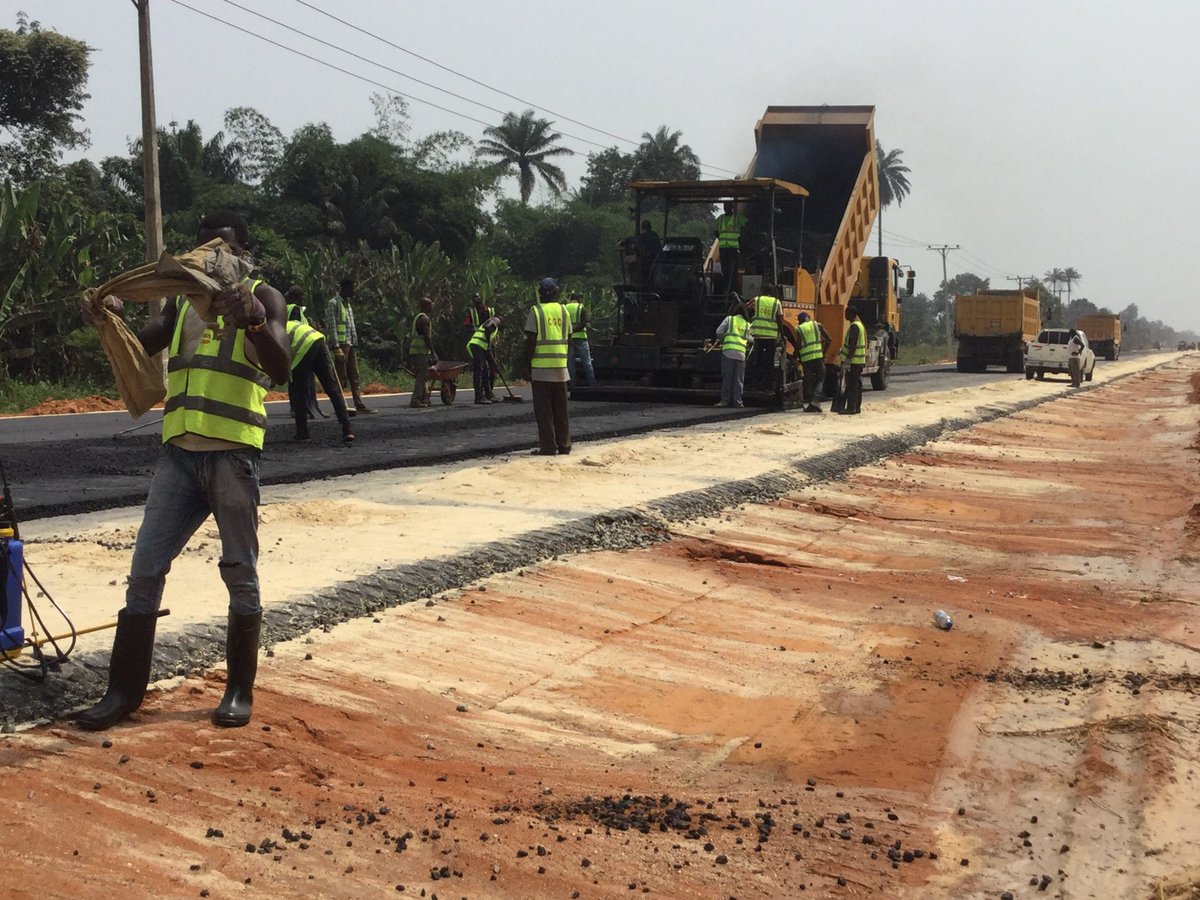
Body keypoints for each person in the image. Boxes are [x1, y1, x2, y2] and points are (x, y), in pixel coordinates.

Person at [76, 209, 291, 731]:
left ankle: (239, 690)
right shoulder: (181, 306)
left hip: (232, 455)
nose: (208, 256)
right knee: (145, 567)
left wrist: (255, 321)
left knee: (240, 572)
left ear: (241, 252)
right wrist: (109, 316)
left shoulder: (264, 296)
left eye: (220, 246)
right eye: (202, 247)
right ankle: (124, 691)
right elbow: (142, 346)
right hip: (179, 457)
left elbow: (281, 367)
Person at [524, 277, 572, 455]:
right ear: (556, 292)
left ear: (540, 293)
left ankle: (549, 446)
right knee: (561, 409)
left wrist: (527, 365)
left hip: (541, 369)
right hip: (560, 367)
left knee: (544, 411)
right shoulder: (563, 310)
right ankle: (565, 444)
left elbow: (530, 341)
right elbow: (570, 339)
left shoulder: (535, 311)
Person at [286, 317, 355, 443]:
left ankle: (303, 433)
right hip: (318, 339)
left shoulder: (272, 331)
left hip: (303, 347)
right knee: (331, 387)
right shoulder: (285, 324)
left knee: (298, 391)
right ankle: (348, 429)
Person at [325, 277, 376, 415]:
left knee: (354, 375)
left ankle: (359, 403)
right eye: (352, 288)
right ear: (345, 288)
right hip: (341, 344)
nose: (354, 291)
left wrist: (355, 341)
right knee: (340, 376)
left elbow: (350, 325)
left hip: (350, 343)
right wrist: (336, 346)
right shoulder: (334, 303)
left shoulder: (348, 305)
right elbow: (332, 325)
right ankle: (340, 405)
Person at [285, 286, 327, 420]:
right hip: (299, 349)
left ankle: (309, 408)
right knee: (300, 381)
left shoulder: (297, 310)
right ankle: (299, 409)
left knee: (304, 381)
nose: (303, 298)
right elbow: (295, 328)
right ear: (295, 296)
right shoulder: (294, 309)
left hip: (302, 347)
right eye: (301, 296)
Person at [746, 289, 798, 385]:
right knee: (769, 361)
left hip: (758, 335)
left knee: (758, 358)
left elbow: (746, 308)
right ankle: (767, 383)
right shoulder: (776, 302)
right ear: (772, 293)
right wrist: (782, 335)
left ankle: (756, 382)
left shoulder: (756, 299)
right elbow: (779, 319)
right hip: (771, 337)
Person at [714, 296, 753, 408]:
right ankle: (738, 402)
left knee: (727, 377)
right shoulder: (747, 324)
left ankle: (725, 401)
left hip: (728, 352)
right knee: (739, 379)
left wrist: (722, 339)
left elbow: (718, 331)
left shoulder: (729, 319)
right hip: (741, 354)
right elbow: (751, 339)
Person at [796, 311, 831, 413]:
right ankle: (815, 401)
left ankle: (813, 403)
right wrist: (823, 353)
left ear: (800, 321)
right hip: (818, 357)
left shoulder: (799, 329)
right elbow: (829, 339)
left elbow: (798, 346)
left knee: (809, 381)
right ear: (809, 318)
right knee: (820, 379)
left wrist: (797, 357)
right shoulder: (817, 325)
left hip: (806, 359)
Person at [408, 296, 438, 408]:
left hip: (417, 351)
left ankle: (424, 398)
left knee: (423, 375)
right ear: (425, 306)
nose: (432, 307)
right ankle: (415, 399)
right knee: (421, 375)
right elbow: (427, 337)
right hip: (420, 351)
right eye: (430, 305)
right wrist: (433, 352)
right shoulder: (424, 319)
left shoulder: (418, 317)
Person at [562, 290, 596, 387]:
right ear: (578, 299)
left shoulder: (565, 308)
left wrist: (569, 332)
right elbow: (584, 322)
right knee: (587, 362)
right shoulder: (581, 307)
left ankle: (572, 384)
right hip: (581, 338)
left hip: (569, 339)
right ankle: (592, 383)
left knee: (570, 363)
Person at [714, 201, 748, 295]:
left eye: (728, 206)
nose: (726, 208)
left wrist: (742, 237)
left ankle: (733, 290)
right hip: (723, 248)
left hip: (733, 248)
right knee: (725, 271)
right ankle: (726, 289)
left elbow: (747, 225)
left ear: (732, 207)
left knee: (733, 271)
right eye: (725, 206)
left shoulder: (737, 218)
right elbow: (715, 231)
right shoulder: (720, 219)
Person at [839, 305, 867, 415]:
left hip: (854, 361)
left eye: (846, 313)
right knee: (857, 384)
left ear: (851, 314)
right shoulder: (859, 325)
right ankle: (856, 407)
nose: (845, 315)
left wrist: (848, 360)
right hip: (859, 360)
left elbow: (853, 344)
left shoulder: (854, 326)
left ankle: (851, 408)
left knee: (852, 385)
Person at [467, 316, 501, 404]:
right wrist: (488, 343)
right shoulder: (495, 321)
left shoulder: (494, 329)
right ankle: (478, 397)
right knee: (479, 370)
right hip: (477, 345)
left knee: (486, 370)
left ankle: (488, 395)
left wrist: (493, 363)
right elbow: (488, 327)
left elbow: (488, 351)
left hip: (480, 346)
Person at [633, 219, 661, 284]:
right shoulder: (655, 235)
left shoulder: (644, 237)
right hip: (659, 259)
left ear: (642, 228)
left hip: (649, 261)